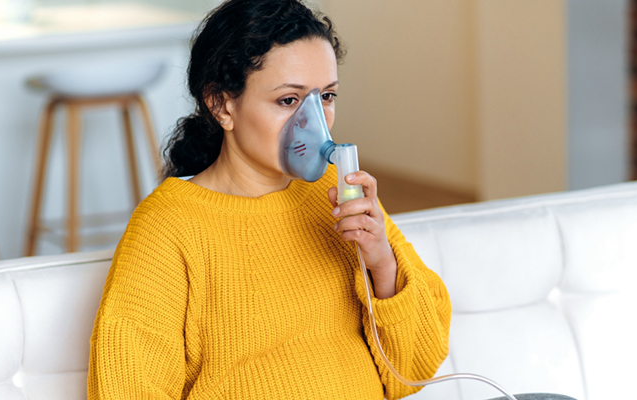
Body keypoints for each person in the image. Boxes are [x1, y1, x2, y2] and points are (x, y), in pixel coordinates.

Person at [86, 0, 452, 399]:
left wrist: (381, 262)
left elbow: (413, 370)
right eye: (288, 101)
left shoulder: (338, 190)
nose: (315, 123)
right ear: (221, 104)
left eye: (326, 97)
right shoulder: (168, 227)